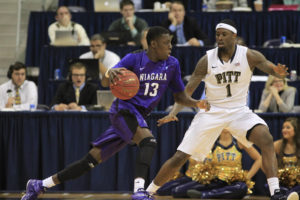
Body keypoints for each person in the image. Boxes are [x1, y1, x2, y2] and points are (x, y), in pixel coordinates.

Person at [20, 26, 210, 200]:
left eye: (170, 42)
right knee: (149, 142)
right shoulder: (134, 59)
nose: (171, 46)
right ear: (153, 44)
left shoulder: (172, 64)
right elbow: (105, 82)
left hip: (140, 115)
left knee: (90, 161)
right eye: (166, 43)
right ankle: (139, 191)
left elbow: (179, 96)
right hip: (124, 110)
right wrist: (109, 75)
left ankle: (39, 185)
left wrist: (196, 102)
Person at [138, 19, 299, 200]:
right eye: (217, 34)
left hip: (239, 111)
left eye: (224, 34)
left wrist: (278, 72)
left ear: (234, 36)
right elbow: (187, 92)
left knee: (266, 139)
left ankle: (275, 192)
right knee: (180, 156)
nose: (219, 38)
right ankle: (148, 192)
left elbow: (270, 68)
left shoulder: (249, 55)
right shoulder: (206, 60)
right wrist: (173, 113)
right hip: (211, 112)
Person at [157, 128, 262, 199]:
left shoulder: (240, 142)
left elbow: (259, 159)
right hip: (214, 180)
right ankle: (215, 193)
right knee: (177, 191)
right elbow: (198, 161)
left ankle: (205, 195)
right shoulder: (211, 143)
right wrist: (205, 171)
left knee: (242, 188)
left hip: (233, 182)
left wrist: (247, 176)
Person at [271, 117, 300, 196]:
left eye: (288, 127)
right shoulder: (277, 145)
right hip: (283, 184)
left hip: (297, 184)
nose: (284, 130)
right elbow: (263, 160)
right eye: (283, 128)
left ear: (296, 129)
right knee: (269, 186)